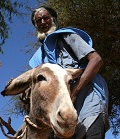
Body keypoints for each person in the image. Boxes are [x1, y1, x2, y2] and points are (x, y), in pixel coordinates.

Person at [21, 6, 109, 139]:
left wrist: (74, 91)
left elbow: (96, 60)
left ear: (53, 20)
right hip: (62, 108)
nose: (43, 22)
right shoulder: (38, 58)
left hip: (88, 98)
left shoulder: (67, 37)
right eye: (39, 20)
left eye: (46, 18)